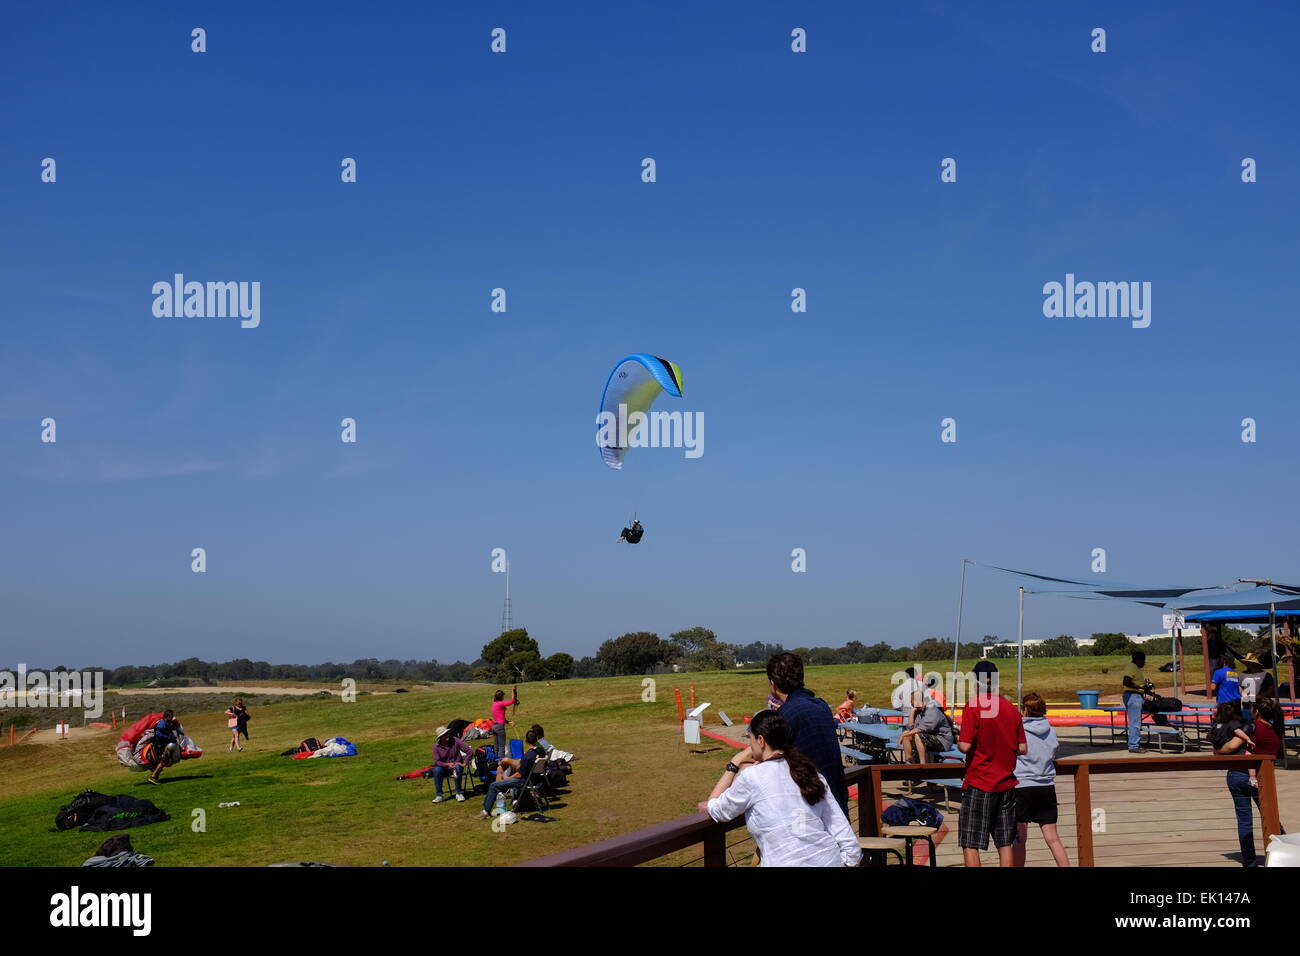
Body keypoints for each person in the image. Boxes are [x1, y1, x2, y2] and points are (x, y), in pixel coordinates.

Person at [699, 709, 861, 867]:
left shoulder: (753, 776)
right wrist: (847, 861)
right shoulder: (810, 772)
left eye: (751, 739)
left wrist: (735, 763)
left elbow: (716, 809)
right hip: (828, 859)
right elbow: (842, 832)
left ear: (761, 741)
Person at [957, 660, 1027, 867]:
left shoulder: (973, 706)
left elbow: (965, 746)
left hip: (980, 781)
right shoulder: (1010, 708)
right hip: (1006, 783)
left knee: (970, 842)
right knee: (1005, 842)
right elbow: (1022, 748)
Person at [765, 653, 849, 815]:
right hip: (837, 801)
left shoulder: (785, 715)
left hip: (813, 807)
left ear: (773, 684)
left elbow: (768, 759)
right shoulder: (821, 706)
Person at [1214, 698, 1283, 867]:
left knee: (1245, 820)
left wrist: (1217, 751)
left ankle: (1250, 861)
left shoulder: (1251, 727)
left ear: (1256, 711)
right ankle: (1284, 852)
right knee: (1272, 819)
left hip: (1240, 775)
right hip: (1265, 777)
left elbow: (1230, 747)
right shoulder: (1275, 731)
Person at [1011, 692, 1070, 867]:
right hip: (1046, 785)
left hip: (1022, 785)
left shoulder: (1018, 729)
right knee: (1053, 838)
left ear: (1025, 709)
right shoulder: (1050, 729)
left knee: (1020, 840)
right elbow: (1053, 751)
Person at [481, 730, 544, 818]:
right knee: (503, 768)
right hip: (537, 779)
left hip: (524, 781)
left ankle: (486, 811)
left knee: (494, 785)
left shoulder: (527, 757)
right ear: (536, 740)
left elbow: (519, 775)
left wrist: (508, 778)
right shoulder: (541, 752)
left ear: (526, 741)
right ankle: (488, 803)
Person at [897, 688, 954, 763]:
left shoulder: (932, 709)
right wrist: (912, 712)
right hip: (929, 738)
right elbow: (911, 728)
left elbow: (920, 729)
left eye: (911, 700)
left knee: (918, 736)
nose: (910, 703)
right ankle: (909, 762)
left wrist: (903, 735)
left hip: (943, 741)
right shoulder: (919, 711)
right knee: (907, 735)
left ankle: (923, 765)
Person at [1121, 650, 1156, 753]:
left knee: (1135, 722)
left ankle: (1134, 744)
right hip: (1133, 696)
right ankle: (1133, 746)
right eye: (1143, 660)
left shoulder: (1135, 668)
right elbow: (1126, 682)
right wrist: (1141, 687)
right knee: (1135, 723)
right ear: (1138, 659)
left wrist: (1145, 689)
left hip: (1136, 695)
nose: (1144, 663)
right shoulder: (1132, 667)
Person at [431, 726, 471, 803]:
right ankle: (439, 795)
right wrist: (447, 764)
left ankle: (459, 793)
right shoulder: (436, 747)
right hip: (445, 768)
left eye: (447, 733)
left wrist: (465, 762)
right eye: (445, 735)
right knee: (436, 770)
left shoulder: (456, 740)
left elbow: (469, 751)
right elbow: (437, 761)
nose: (447, 735)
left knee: (458, 768)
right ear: (440, 737)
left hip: (457, 766)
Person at [147, 710, 183, 785]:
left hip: (163, 745)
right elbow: (158, 734)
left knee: (163, 762)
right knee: (163, 761)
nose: (172, 717)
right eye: (171, 716)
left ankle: (154, 777)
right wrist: (169, 738)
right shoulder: (162, 724)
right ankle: (153, 777)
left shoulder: (167, 723)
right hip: (160, 746)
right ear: (166, 717)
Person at [489, 687, 517, 759]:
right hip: (500, 727)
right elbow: (513, 701)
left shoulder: (494, 704)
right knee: (502, 746)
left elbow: (500, 717)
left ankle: (495, 760)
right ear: (501, 697)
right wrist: (513, 691)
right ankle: (501, 762)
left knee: (496, 745)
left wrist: (509, 722)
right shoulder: (500, 704)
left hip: (494, 727)